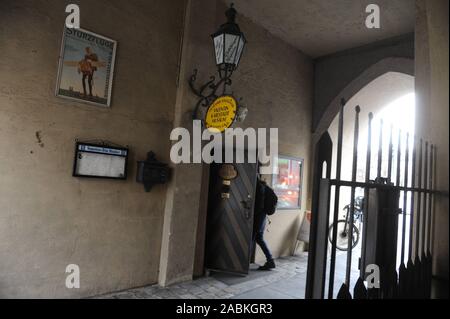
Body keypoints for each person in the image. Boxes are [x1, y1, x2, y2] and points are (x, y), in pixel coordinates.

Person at [253, 176, 276, 270]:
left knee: (252, 237)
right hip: (262, 216)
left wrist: (253, 215)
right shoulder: (263, 186)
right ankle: (270, 261)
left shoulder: (259, 187)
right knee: (258, 238)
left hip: (259, 216)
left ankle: (241, 263)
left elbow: (259, 205)